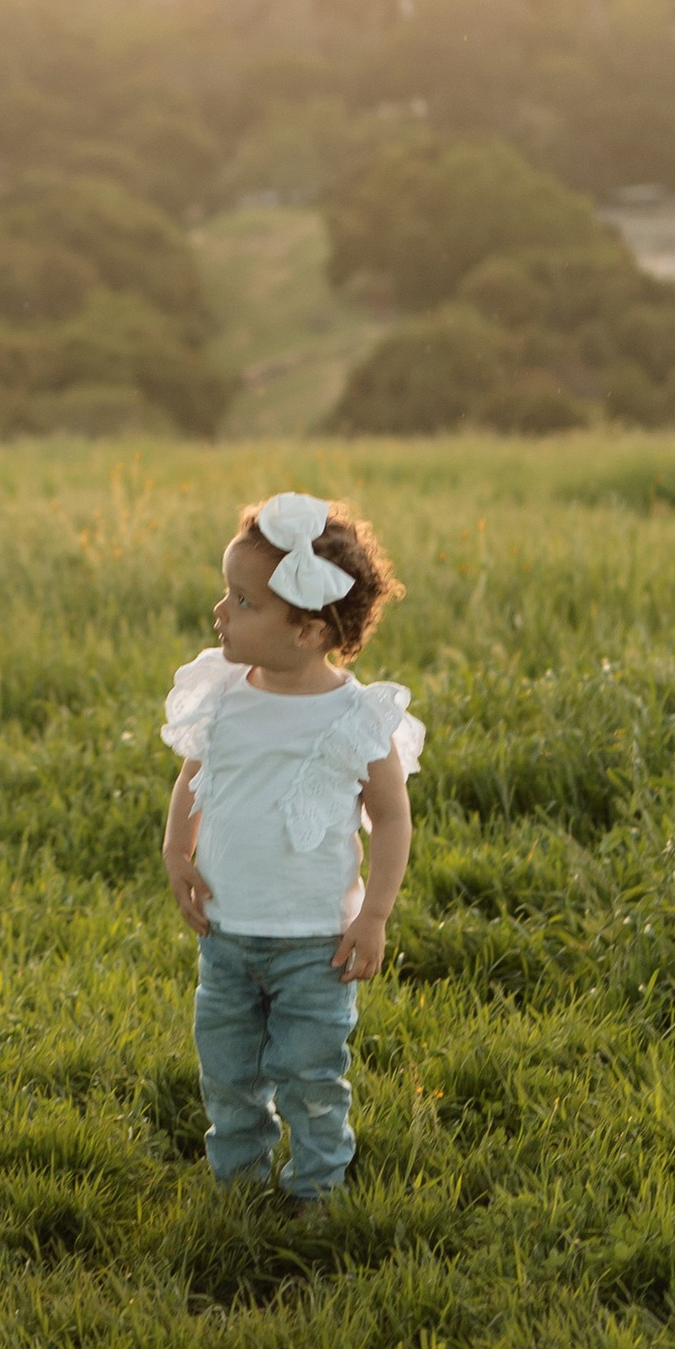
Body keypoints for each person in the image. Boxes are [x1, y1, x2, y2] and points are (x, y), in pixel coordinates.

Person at [158, 492, 422, 1214]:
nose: (220, 611)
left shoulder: (355, 715)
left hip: (316, 944)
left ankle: (315, 1189)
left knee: (311, 1072)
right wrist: (177, 850)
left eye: (242, 601)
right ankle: (237, 1183)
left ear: (307, 630)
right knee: (230, 1071)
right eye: (226, 592)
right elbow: (195, 777)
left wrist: (374, 915)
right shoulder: (223, 694)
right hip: (228, 934)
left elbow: (392, 820)